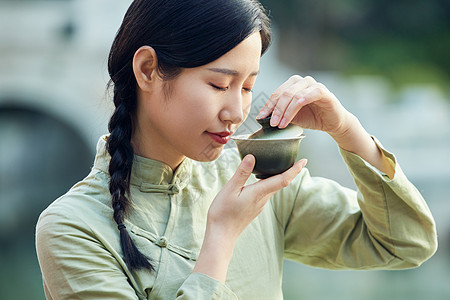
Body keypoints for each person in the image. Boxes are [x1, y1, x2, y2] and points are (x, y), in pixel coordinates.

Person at [35, 0, 437, 299]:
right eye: (218, 84)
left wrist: (346, 129)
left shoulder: (251, 174)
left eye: (247, 87)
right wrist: (222, 236)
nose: (236, 111)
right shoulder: (74, 228)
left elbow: (406, 243)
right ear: (147, 70)